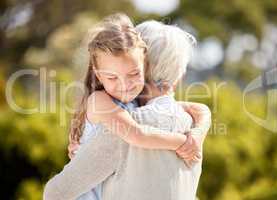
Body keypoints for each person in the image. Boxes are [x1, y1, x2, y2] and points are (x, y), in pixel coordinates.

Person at [43, 13, 211, 200]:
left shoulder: (130, 119)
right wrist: (189, 139)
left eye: (132, 74)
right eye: (113, 77)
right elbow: (139, 133)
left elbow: (55, 193)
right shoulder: (189, 124)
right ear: (181, 73)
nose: (124, 84)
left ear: (144, 63)